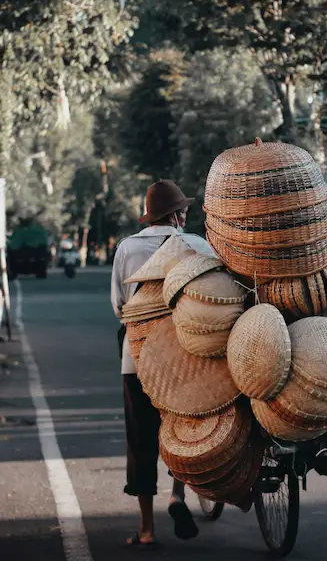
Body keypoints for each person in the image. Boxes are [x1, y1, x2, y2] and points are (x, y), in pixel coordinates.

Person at [111, 180, 215, 550]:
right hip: (188, 361)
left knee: (141, 441)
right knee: (184, 433)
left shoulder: (127, 249)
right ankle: (177, 495)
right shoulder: (199, 247)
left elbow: (119, 307)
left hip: (138, 363)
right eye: (184, 210)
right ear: (176, 215)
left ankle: (146, 528)